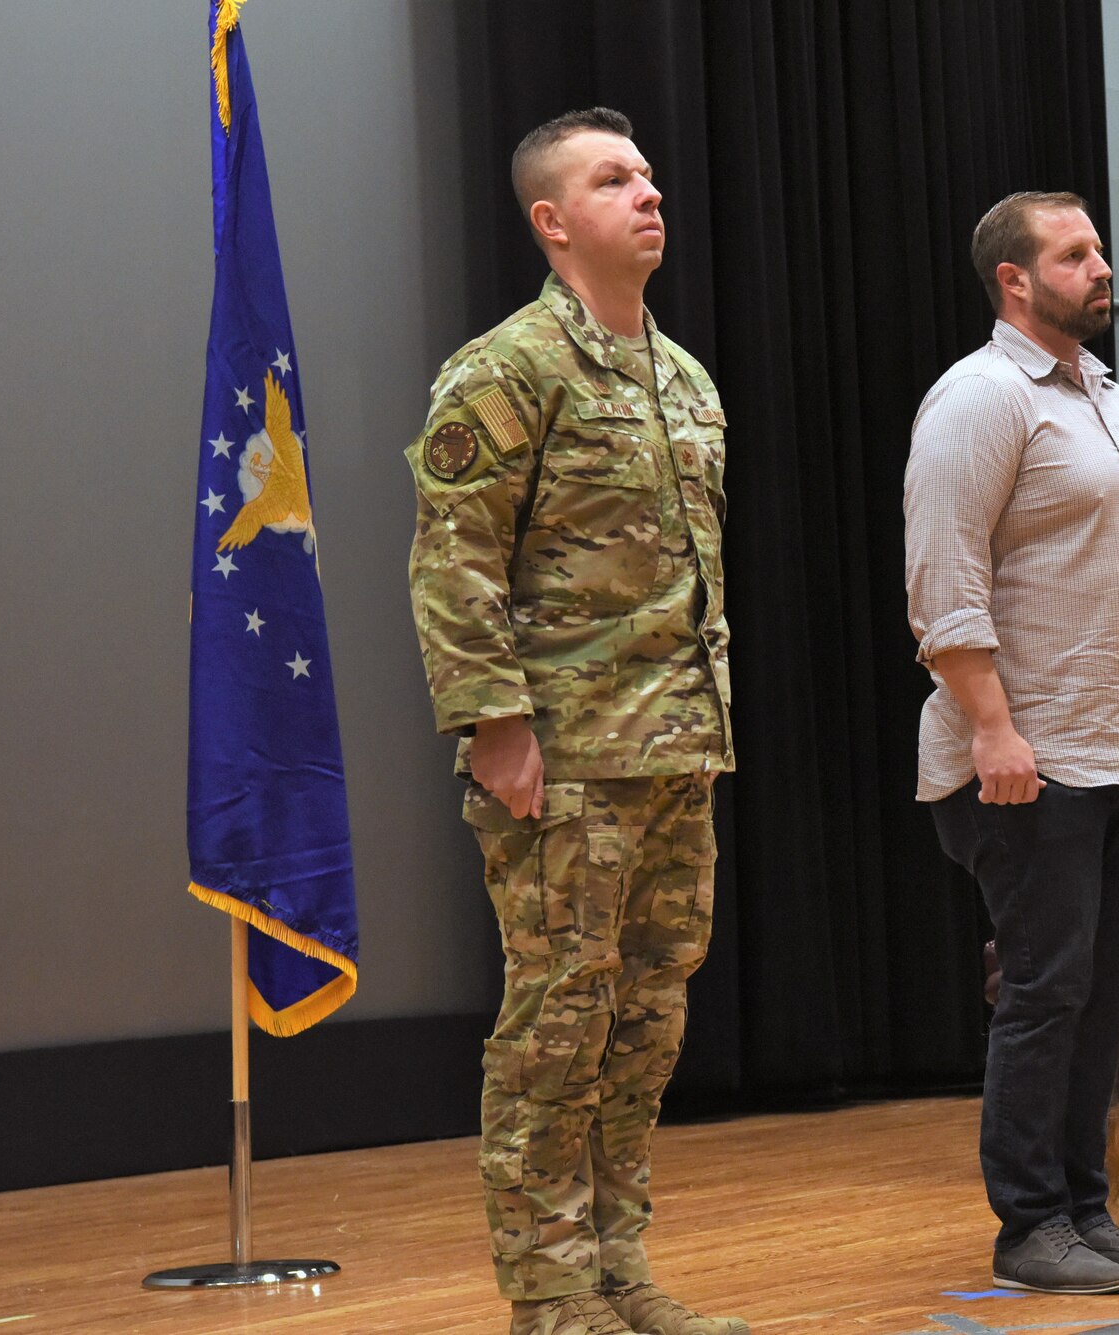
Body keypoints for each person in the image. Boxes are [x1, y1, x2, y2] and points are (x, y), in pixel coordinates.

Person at [407, 107, 744, 1335]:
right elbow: (454, 563)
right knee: (557, 1027)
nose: (648, 194)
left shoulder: (684, 379)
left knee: (645, 1027)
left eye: (650, 175)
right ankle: (548, 1296)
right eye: (614, 179)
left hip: (675, 750)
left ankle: (619, 1274)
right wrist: (495, 725)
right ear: (552, 223)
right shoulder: (503, 372)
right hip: (565, 762)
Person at [902, 191, 1119, 1295]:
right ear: (1013, 280)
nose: (1100, 267)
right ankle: (1028, 1223)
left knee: (1108, 989)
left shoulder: (1113, 402)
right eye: (1073, 255)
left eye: (1098, 250)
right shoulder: (977, 400)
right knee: (1045, 988)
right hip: (1029, 760)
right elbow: (942, 584)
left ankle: (1086, 1207)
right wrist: (992, 729)